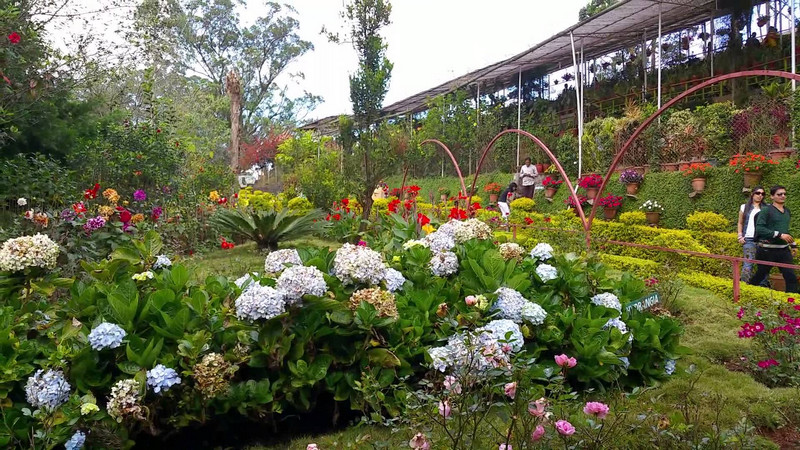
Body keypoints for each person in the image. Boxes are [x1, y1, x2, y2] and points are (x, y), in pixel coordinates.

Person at [749, 185, 799, 293]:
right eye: (779, 194)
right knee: (760, 275)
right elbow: (760, 228)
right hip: (767, 250)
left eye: (784, 194)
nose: (783, 196)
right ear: (772, 196)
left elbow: (785, 230)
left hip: (783, 250)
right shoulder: (766, 210)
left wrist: (793, 245)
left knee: (791, 278)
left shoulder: (787, 211)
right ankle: (745, 293)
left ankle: (791, 305)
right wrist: (778, 235)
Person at [738, 186, 766, 284]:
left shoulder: (766, 208)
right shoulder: (744, 207)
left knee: (763, 265)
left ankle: (763, 287)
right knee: (748, 264)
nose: (760, 195)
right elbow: (740, 223)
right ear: (752, 194)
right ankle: (744, 286)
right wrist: (740, 236)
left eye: (762, 194)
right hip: (749, 239)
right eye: (758, 193)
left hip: (762, 240)